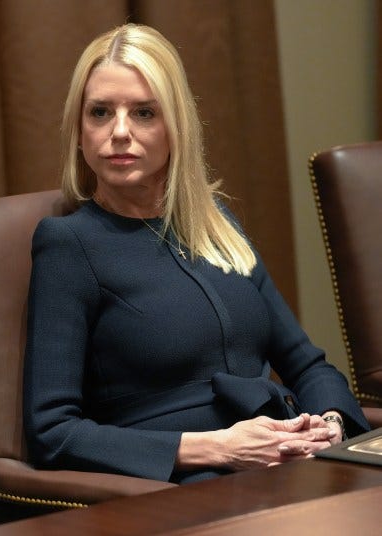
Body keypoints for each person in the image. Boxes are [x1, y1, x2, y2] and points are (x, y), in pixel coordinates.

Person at [22, 24, 370, 485]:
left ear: (176, 126)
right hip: (185, 485)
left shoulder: (215, 222)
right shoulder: (67, 244)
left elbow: (307, 365)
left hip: (286, 460)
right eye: (100, 112)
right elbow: (52, 432)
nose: (120, 132)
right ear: (79, 131)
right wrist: (218, 447)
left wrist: (330, 425)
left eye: (144, 112)